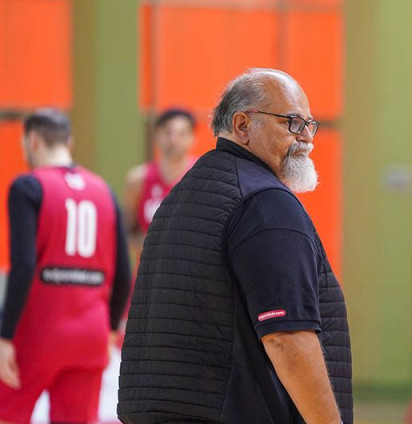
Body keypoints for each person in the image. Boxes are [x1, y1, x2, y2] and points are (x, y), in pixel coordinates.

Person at [118, 68, 352, 424]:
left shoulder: (181, 196)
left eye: (309, 124)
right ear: (243, 125)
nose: (307, 138)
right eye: (291, 123)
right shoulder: (265, 202)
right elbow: (285, 337)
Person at [0, 108, 132, 424]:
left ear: (32, 141)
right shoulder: (104, 190)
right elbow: (124, 274)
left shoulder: (27, 186)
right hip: (92, 334)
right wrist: (109, 328)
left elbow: (23, 266)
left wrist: (5, 336)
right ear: (69, 142)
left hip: (39, 332)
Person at [123, 108, 196, 254]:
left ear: (191, 138)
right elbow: (126, 234)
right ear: (157, 136)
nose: (174, 140)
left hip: (189, 272)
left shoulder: (202, 176)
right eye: (168, 133)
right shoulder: (138, 179)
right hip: (148, 272)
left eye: (181, 134)